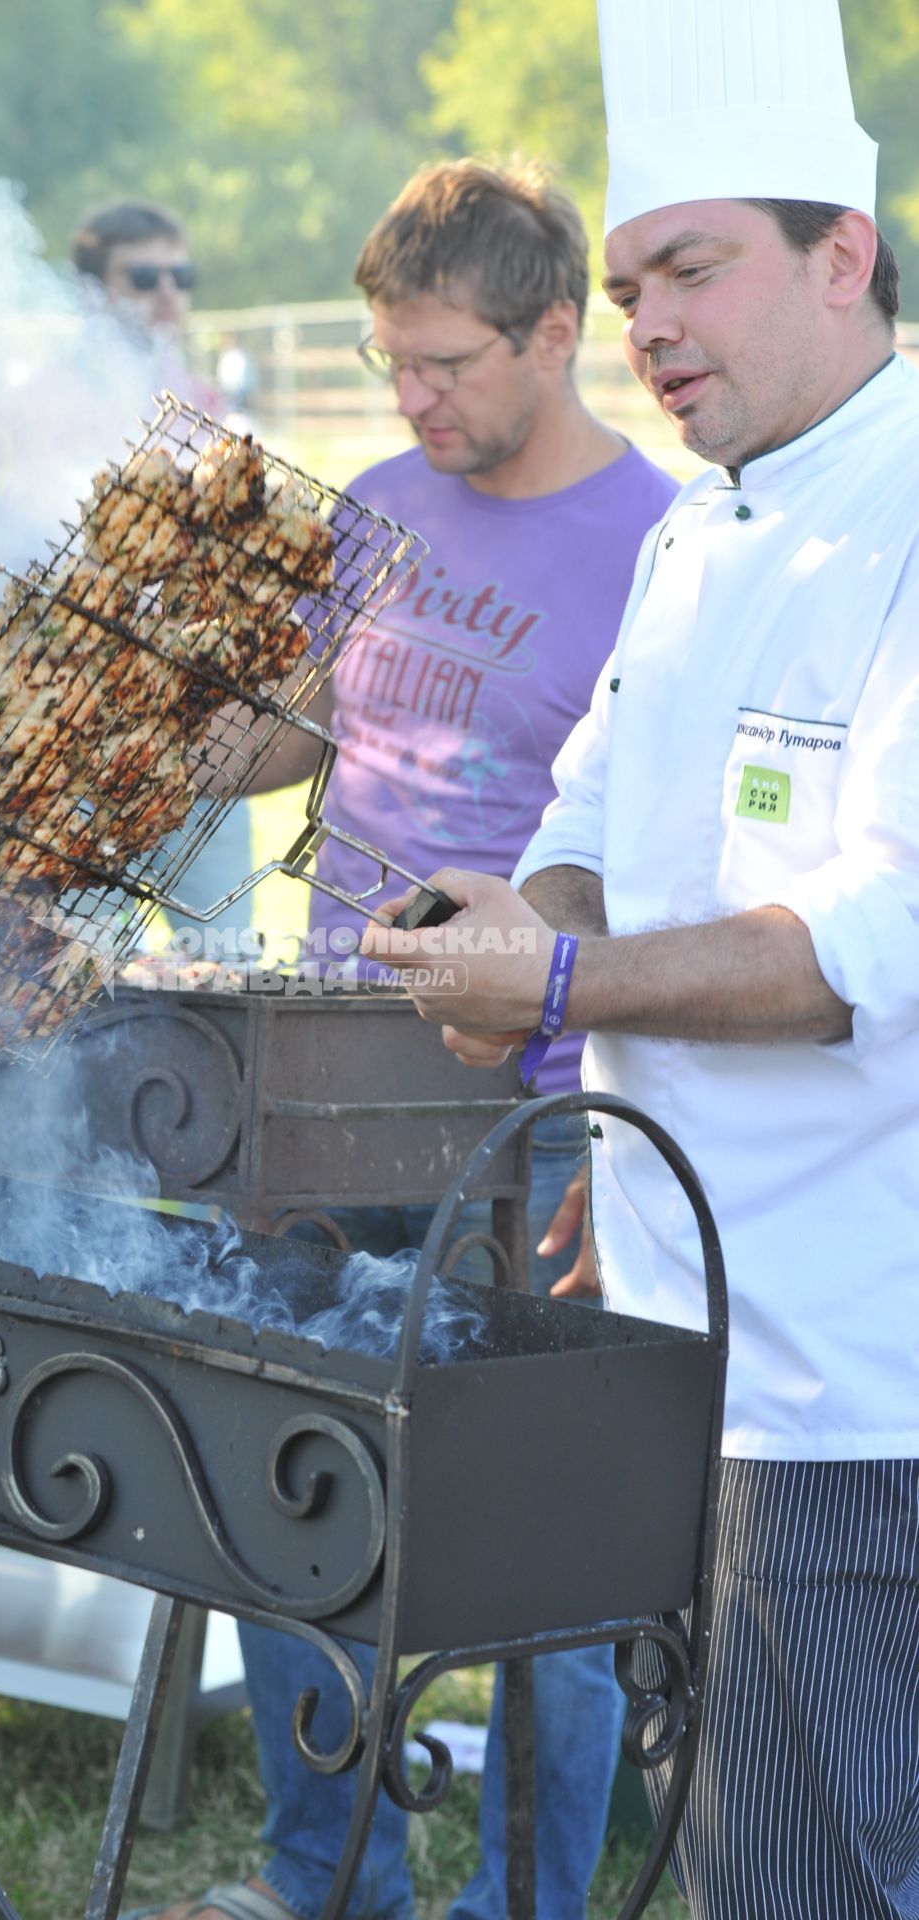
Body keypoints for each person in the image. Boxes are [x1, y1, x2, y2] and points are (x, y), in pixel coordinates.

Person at [363, 5, 919, 1916]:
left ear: (841, 255)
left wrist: (563, 991)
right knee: (741, 1867)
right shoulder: (699, 528)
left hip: (871, 1387)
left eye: (693, 269)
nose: (649, 326)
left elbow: (871, 954)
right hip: (678, 1345)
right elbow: (588, 818)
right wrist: (520, 940)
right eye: (624, 287)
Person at [136, 160, 676, 1920]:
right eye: (389, 364)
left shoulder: (658, 549)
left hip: (527, 1121)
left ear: (550, 333)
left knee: (540, 1570)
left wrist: (578, 1072)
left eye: (443, 362)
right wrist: (158, 706)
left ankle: (517, 1905)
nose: (412, 398)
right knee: (278, 1503)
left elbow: (666, 863)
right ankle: (332, 1889)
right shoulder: (376, 500)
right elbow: (294, 736)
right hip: (310, 1085)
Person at [0, 199, 252, 939]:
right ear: (91, 291)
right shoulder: (29, 408)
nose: (167, 296)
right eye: (142, 277)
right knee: (76, 965)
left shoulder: (203, 401)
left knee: (225, 958)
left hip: (199, 734)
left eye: (180, 276)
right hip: (81, 739)